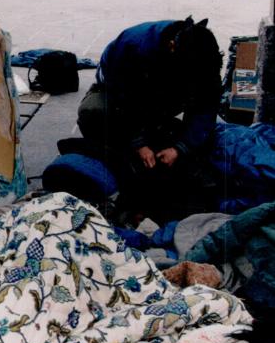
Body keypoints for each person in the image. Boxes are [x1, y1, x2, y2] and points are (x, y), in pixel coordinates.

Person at [76, 17, 222, 220]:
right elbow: (125, 102)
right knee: (93, 112)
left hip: (159, 96)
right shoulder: (134, 48)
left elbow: (206, 108)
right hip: (117, 92)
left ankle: (158, 134)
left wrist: (179, 148)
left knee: (195, 141)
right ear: (172, 47)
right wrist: (139, 144)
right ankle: (120, 153)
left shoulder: (205, 59)